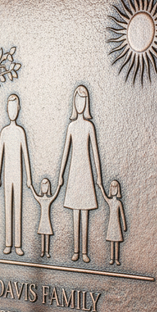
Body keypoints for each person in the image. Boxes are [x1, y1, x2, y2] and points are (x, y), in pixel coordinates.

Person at [58, 85, 105, 263]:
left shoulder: (89, 126)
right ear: (74, 102)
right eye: (78, 99)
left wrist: (99, 176)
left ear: (87, 103)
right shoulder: (71, 127)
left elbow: (95, 154)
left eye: (83, 100)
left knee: (84, 211)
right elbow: (65, 153)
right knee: (75, 212)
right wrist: (61, 174)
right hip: (73, 172)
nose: (80, 103)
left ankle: (85, 251)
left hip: (86, 172)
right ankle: (76, 250)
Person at [0, 94, 33, 256]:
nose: (12, 111)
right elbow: (0, 157)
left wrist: (29, 178)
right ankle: (8, 243)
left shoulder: (20, 132)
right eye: (9, 108)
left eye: (14, 108)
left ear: (18, 109)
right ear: (6, 110)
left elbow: (26, 156)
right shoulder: (4, 132)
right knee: (7, 208)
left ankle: (17, 244)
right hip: (7, 175)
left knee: (17, 208)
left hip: (18, 175)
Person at [29, 177, 60, 258]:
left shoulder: (49, 199)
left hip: (47, 220)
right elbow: (35, 195)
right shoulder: (40, 199)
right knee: (42, 235)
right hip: (42, 220)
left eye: (46, 186)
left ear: (48, 187)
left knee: (47, 235)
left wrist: (59, 186)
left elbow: (55, 194)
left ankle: (47, 251)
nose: (44, 188)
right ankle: (42, 251)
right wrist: (31, 186)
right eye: (43, 186)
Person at [104, 179, 127, 265]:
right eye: (112, 187)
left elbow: (122, 215)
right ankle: (111, 258)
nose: (114, 189)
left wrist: (124, 225)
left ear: (118, 189)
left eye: (115, 187)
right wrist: (101, 186)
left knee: (116, 241)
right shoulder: (110, 202)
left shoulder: (119, 203)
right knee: (112, 241)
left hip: (117, 224)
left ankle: (116, 259)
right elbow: (104, 196)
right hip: (111, 223)